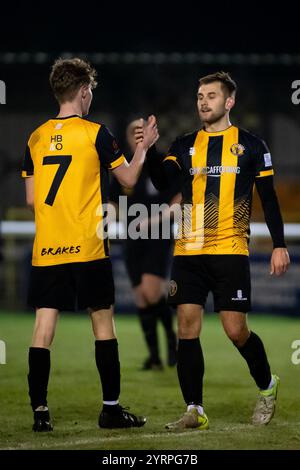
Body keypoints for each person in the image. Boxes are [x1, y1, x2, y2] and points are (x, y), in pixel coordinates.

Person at [143, 71, 290, 430]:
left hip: (230, 249)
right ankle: (195, 410)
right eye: (199, 96)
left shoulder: (253, 146)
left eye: (211, 96)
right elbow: (162, 182)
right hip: (189, 250)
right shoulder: (184, 145)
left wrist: (279, 245)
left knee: (234, 329)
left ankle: (267, 386)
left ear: (229, 102)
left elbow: (268, 199)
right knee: (187, 328)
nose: (203, 102)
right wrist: (148, 151)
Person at [21, 57, 158, 432]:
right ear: (83, 91)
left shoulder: (35, 137)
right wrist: (144, 148)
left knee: (43, 327)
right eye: (91, 91)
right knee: (102, 323)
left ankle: (40, 413)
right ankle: (110, 410)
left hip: (48, 247)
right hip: (87, 246)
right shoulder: (95, 133)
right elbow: (128, 177)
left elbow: (33, 199)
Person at [110, 120, 179, 370]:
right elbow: (113, 202)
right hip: (132, 238)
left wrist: (154, 220)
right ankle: (155, 356)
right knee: (140, 297)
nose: (138, 137)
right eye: (134, 133)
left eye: (143, 132)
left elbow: (179, 199)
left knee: (151, 293)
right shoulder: (123, 167)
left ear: (152, 134)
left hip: (158, 237)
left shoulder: (163, 163)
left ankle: (172, 342)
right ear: (129, 138)